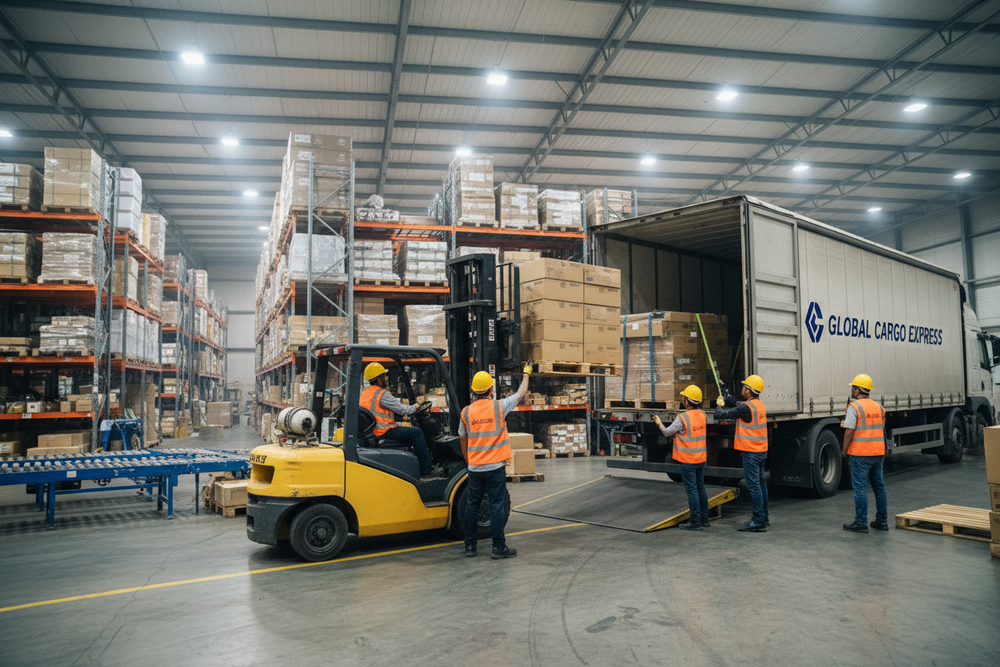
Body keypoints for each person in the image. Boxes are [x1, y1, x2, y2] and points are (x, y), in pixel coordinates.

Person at [459, 363, 532, 559]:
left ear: (474, 391)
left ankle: (470, 547)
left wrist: (469, 462)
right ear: (491, 389)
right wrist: (526, 374)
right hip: (495, 467)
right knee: (497, 505)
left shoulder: (465, 412)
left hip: (475, 468)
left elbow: (463, 439)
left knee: (472, 505)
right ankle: (498, 547)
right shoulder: (499, 406)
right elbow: (520, 393)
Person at [360, 362, 444, 479]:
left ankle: (416, 463)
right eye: (384, 377)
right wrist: (416, 407)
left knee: (408, 431)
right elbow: (402, 410)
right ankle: (427, 469)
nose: (386, 379)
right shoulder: (382, 394)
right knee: (417, 433)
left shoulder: (364, 393)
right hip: (383, 432)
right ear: (379, 378)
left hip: (372, 432)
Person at [714, 375, 768, 532]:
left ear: (749, 390)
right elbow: (738, 404)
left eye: (745, 386)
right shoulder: (758, 405)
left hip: (751, 452)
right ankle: (764, 516)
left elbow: (720, 415)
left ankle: (758, 521)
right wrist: (728, 399)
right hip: (761, 450)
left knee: (754, 486)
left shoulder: (746, 408)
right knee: (761, 484)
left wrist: (719, 405)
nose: (743, 388)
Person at [653, 385, 710, 531]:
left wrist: (659, 422)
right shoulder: (703, 415)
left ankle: (695, 522)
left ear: (686, 401)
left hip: (688, 460)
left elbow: (667, 432)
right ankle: (704, 519)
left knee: (692, 490)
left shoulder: (682, 418)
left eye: (684, 397)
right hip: (701, 459)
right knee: (700, 488)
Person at [842, 373, 889, 533]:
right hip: (878, 453)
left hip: (861, 455)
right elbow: (882, 432)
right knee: (879, 487)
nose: (852, 390)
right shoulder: (879, 407)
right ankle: (882, 521)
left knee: (860, 488)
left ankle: (861, 522)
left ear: (858, 390)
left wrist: (844, 452)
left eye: (853, 387)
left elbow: (849, 432)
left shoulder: (854, 407)